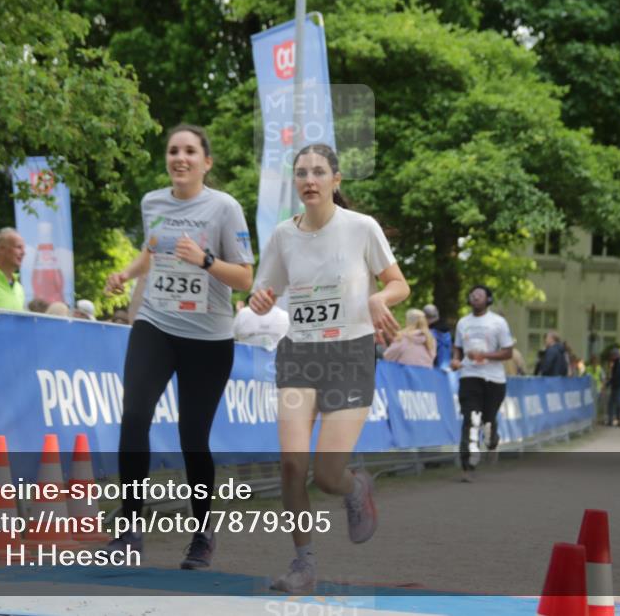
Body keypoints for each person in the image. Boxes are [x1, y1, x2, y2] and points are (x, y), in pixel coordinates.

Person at [249, 142, 409, 594]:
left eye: (319, 172)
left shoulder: (362, 228)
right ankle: (304, 563)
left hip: (350, 356)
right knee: (291, 466)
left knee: (326, 474)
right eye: (302, 173)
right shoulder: (283, 235)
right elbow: (263, 292)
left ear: (336, 180)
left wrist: (380, 297)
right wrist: (258, 299)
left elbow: (399, 283)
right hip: (299, 354)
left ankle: (355, 486)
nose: (310, 180)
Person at [103, 124, 254, 570]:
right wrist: (127, 275)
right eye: (173, 151)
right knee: (134, 417)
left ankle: (202, 533)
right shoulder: (153, 202)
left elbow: (245, 277)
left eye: (190, 151)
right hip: (156, 323)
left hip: (207, 338)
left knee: (193, 437)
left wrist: (206, 260)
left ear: (206, 162)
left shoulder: (225, 208)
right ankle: (129, 527)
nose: (180, 158)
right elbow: (153, 250)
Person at [450, 285, 514, 480]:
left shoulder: (498, 322)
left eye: (480, 295)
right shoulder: (463, 322)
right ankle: (467, 466)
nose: (475, 297)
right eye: (472, 294)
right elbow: (457, 348)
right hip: (469, 376)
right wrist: (455, 360)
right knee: (471, 419)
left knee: (487, 421)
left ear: (488, 299)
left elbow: (508, 352)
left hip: (494, 379)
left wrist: (484, 355)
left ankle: (492, 439)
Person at [422, 304, 453, 370]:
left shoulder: (429, 334)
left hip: (433, 370)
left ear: (424, 317)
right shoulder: (447, 332)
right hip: (446, 369)